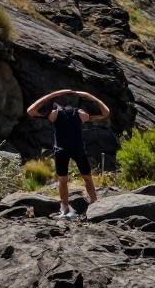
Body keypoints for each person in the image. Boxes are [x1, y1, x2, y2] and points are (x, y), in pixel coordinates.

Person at [26, 88, 110, 219]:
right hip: (64, 149)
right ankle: (65, 206)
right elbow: (30, 111)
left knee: (85, 176)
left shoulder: (76, 113)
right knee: (64, 179)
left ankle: (93, 202)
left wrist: (89, 96)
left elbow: (106, 113)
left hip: (73, 149)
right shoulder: (58, 114)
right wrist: (53, 94)